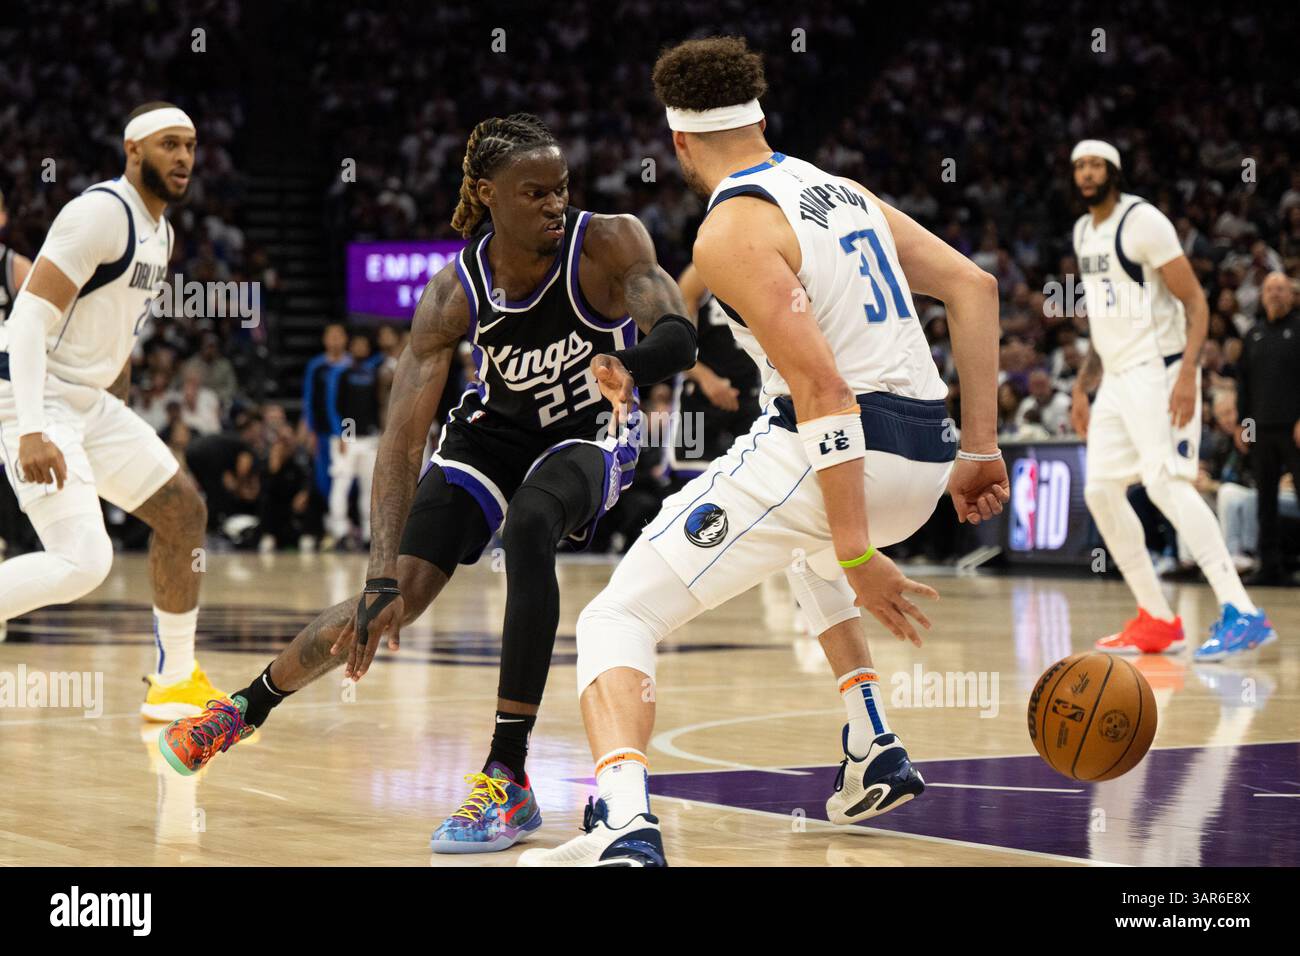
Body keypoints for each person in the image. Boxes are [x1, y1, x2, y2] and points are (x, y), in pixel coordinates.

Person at [520, 37, 1006, 866]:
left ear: (678, 142)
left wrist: (857, 549)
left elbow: (826, 394)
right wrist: (982, 449)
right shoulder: (841, 190)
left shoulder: (732, 228)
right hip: (929, 453)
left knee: (617, 614)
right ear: (760, 115)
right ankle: (872, 742)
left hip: (840, 448)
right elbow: (975, 286)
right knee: (806, 551)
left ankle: (624, 822)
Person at [157, 113, 698, 857]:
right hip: (490, 436)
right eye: (534, 192)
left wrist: (628, 368)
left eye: (560, 189)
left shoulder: (607, 241)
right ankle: (243, 708)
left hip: (590, 428)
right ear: (487, 194)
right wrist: (380, 572)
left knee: (532, 526)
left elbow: (677, 332)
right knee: (392, 598)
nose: (554, 204)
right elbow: (404, 438)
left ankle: (507, 775)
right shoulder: (454, 292)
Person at [0, 102, 218, 718]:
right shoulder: (99, 213)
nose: (182, 158)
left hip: (90, 404)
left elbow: (116, 332)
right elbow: (27, 323)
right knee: (84, 561)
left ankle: (175, 681)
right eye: (169, 145)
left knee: (182, 511)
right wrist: (34, 428)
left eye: (191, 146)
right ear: (133, 150)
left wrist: (114, 418)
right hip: (31, 396)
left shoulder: (163, 233)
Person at [1067, 140, 1274, 662]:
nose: (1086, 174)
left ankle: (1241, 610)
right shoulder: (1082, 230)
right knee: (1100, 491)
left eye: (1095, 165)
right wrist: (1082, 384)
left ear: (1112, 170)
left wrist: (1188, 374)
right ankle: (1157, 618)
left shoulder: (1143, 221)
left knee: (1165, 483)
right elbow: (1101, 321)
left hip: (1161, 371)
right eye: (1078, 167)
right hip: (1115, 377)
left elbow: (1196, 303)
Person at [1237, 271, 1300, 585]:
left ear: (1291, 295)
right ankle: (1270, 566)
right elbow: (1244, 386)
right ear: (1262, 296)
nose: (1275, 294)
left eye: (1281, 289)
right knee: (1264, 499)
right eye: (1270, 289)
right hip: (1260, 429)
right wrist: (1243, 426)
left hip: (1294, 429)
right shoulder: (1254, 334)